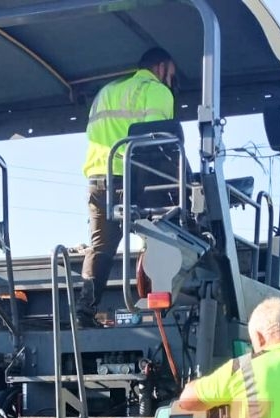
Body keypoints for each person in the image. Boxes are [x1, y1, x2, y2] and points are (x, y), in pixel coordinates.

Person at [78, 47, 177, 318]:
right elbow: (156, 143)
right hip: (133, 179)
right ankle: (161, 308)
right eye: (172, 73)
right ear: (161, 67)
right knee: (164, 236)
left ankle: (84, 311)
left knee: (100, 247)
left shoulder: (106, 92)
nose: (172, 79)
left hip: (98, 179)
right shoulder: (156, 91)